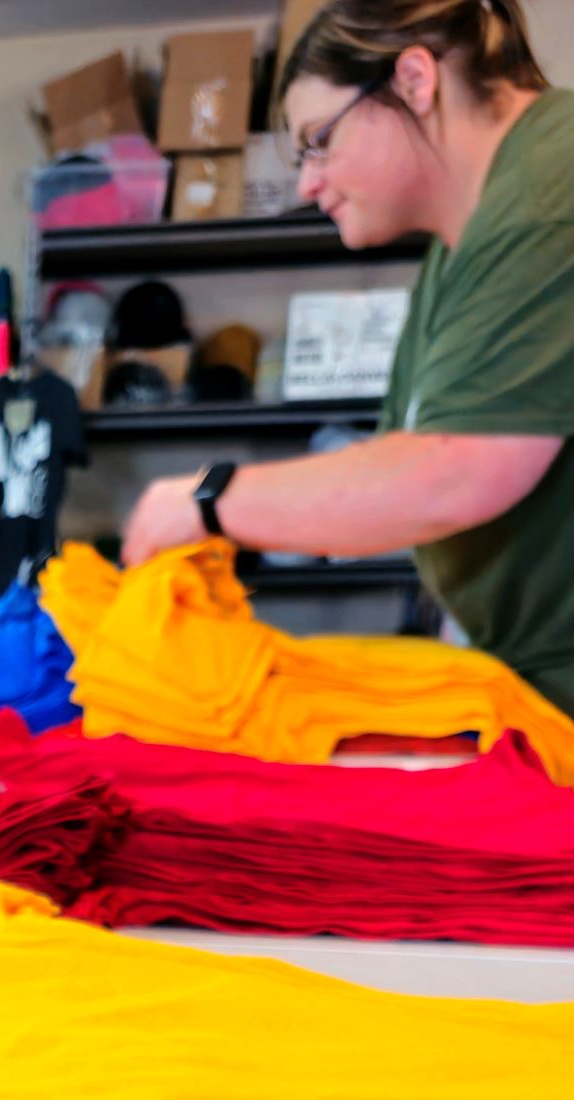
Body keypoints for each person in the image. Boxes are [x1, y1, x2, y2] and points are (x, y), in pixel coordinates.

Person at [121, 0, 574, 716]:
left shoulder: (552, 198)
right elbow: (418, 453)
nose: (306, 183)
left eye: (317, 140)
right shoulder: (463, 250)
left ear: (413, 82)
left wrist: (207, 500)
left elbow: (452, 471)